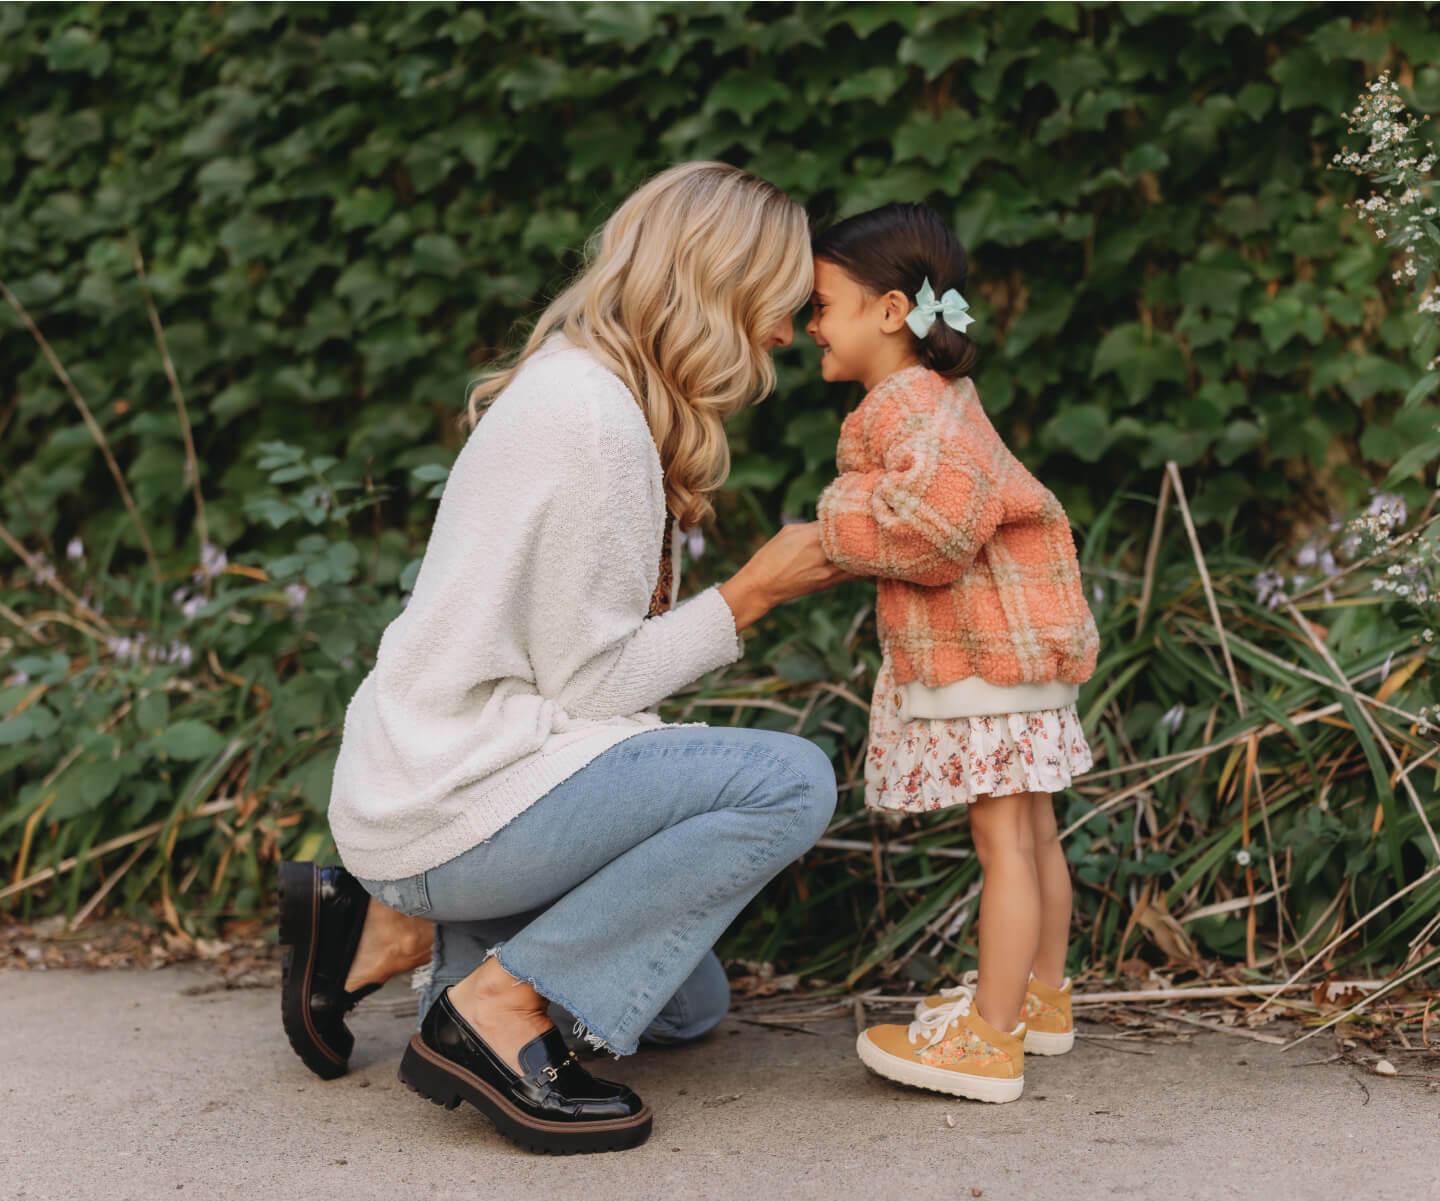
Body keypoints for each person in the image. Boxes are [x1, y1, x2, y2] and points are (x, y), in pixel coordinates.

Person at [278, 162, 849, 1154]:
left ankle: (391, 933)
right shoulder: (592, 417)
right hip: (453, 791)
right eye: (784, 303)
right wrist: (753, 591)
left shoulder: (588, 390)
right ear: (724, 281)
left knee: (680, 1006)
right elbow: (587, 686)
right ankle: (489, 1010)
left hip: (440, 776)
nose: (790, 334)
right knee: (792, 781)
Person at [806, 204, 1099, 1104]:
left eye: (822, 304)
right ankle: (1040, 998)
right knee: (1034, 828)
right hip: (1020, 641)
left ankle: (990, 1039)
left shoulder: (908, 408)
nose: (809, 324)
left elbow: (936, 532)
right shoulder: (931, 404)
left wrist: (832, 520)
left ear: (890, 311)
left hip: (987, 652)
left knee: (1002, 838)